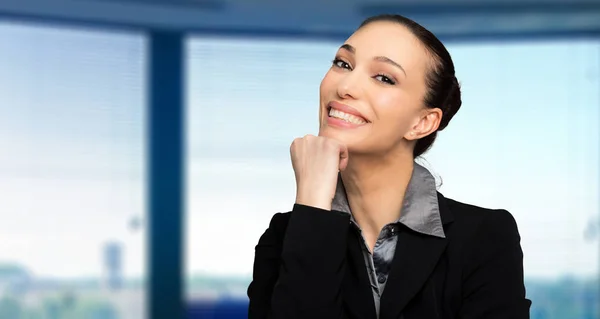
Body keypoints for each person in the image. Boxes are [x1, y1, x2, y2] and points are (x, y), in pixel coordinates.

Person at [247, 14, 531, 319]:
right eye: (343, 63)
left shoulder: (485, 237)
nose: (345, 86)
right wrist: (314, 204)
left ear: (422, 122)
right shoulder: (285, 236)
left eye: (384, 78)